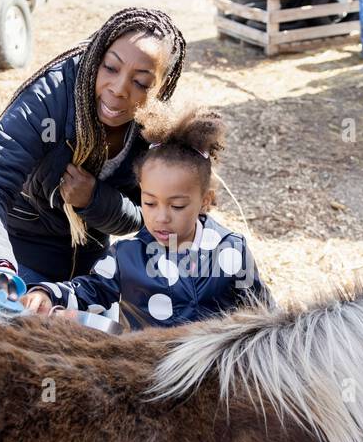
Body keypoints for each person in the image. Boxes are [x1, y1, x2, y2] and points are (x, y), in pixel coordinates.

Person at [0, 7, 186, 293]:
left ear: (161, 90)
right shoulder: (50, 98)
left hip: (94, 272)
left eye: (140, 82)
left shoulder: (156, 129)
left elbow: (146, 215)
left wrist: (95, 200)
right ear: (97, 57)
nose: (119, 88)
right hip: (22, 257)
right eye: (110, 67)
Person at [23, 106, 275, 328]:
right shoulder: (127, 257)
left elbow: (263, 310)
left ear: (205, 202)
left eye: (177, 206)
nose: (161, 217)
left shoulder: (231, 250)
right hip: (146, 369)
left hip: (211, 372)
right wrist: (48, 295)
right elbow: (90, 290)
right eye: (150, 203)